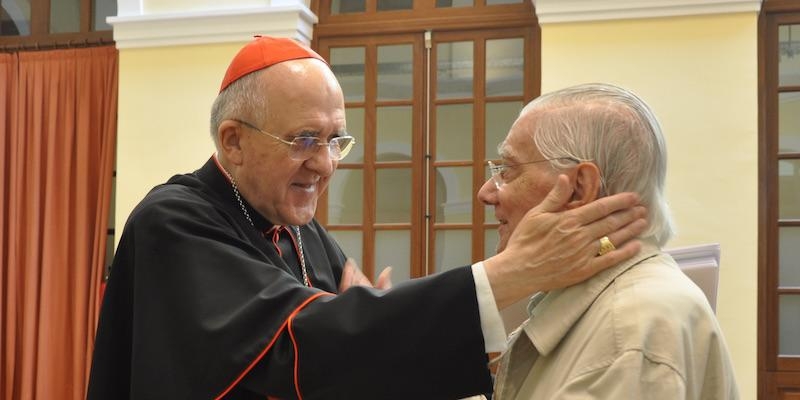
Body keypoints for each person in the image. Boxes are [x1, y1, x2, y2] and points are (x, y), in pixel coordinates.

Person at [86, 37, 648, 399]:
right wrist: (510, 274)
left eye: (336, 140)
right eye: (304, 139)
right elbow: (298, 348)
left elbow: (347, 355)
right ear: (233, 141)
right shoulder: (175, 222)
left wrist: (373, 321)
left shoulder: (301, 230)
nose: (325, 164)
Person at [480, 83, 739, 400]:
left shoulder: (628, 329)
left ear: (579, 188)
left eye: (508, 170)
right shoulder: (624, 310)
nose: (486, 193)